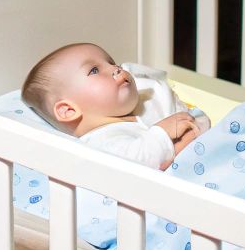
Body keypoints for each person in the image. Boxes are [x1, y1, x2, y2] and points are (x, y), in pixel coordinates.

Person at [20, 42, 210, 169]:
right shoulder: (101, 141)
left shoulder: (146, 105)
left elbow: (196, 118)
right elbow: (138, 164)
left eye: (111, 62)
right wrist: (166, 135)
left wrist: (194, 127)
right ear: (69, 110)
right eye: (94, 70)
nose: (116, 68)